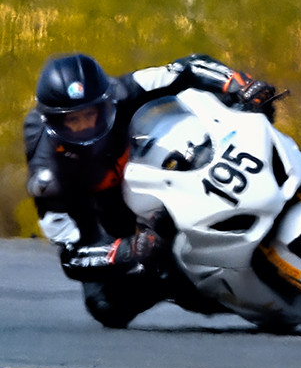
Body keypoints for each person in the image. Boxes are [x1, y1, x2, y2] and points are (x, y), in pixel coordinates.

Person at [24, 51, 282, 327]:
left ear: (105, 101)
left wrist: (239, 84)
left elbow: (187, 68)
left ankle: (271, 176)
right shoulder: (47, 175)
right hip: (102, 205)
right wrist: (128, 250)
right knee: (106, 306)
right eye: (72, 120)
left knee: (241, 103)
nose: (86, 125)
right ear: (53, 122)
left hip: (156, 159)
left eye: (91, 114)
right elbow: (72, 256)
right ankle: (221, 293)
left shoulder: (120, 91)